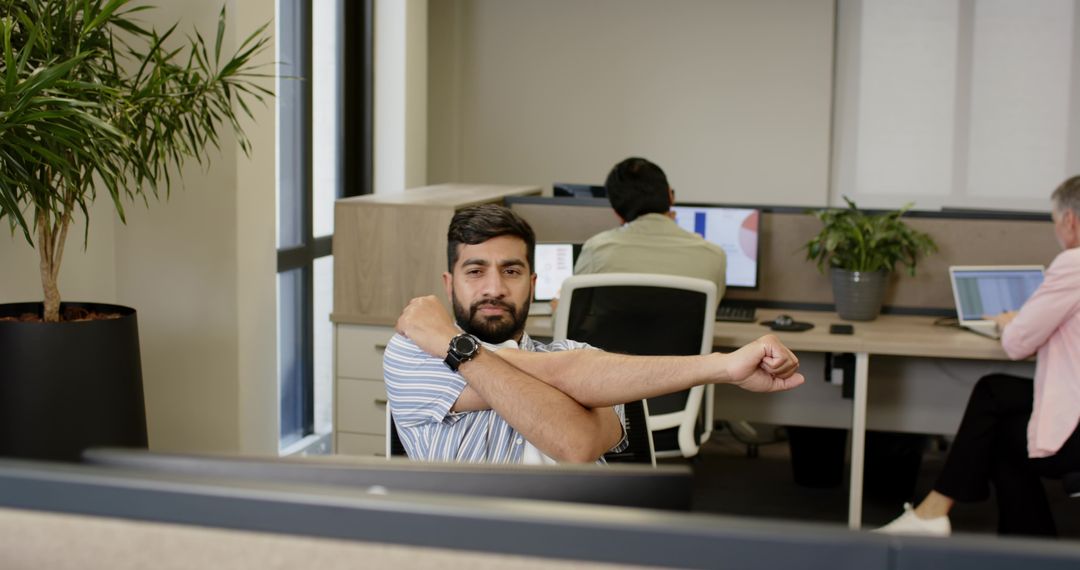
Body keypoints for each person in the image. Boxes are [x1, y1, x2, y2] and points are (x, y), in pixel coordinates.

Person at [384, 204, 804, 464]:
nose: (494, 288)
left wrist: (453, 345)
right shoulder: (412, 355)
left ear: (533, 283)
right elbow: (572, 439)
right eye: (475, 271)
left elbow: (579, 442)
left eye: (510, 271)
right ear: (448, 282)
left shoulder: (577, 353)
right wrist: (723, 366)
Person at [877, 175, 1080, 537]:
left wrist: (1008, 322)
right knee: (996, 394)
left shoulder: (1073, 265)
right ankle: (1014, 545)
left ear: (1070, 221)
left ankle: (935, 515)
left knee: (996, 416)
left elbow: (1017, 345)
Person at [574, 157, 727, 297]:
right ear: (670, 195)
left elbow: (572, 320)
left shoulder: (597, 251)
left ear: (617, 214)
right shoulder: (714, 256)